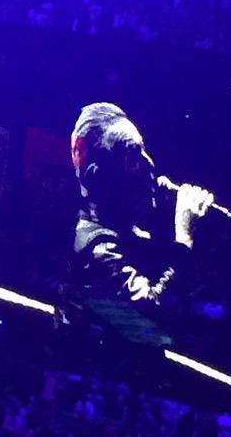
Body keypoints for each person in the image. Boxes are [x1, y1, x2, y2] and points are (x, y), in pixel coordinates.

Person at [66, 103, 215, 313]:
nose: (150, 164)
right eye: (133, 156)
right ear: (102, 177)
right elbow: (152, 317)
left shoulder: (129, 235)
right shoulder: (98, 251)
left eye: (144, 150)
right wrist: (184, 239)